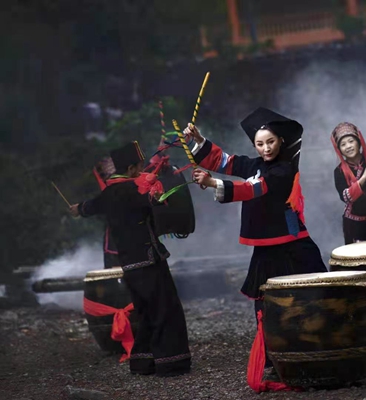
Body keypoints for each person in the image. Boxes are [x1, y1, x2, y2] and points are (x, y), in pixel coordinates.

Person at [185, 108, 328, 371]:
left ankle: (330, 344)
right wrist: (198, 140)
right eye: (260, 144)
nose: (266, 148)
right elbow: (225, 161)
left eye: (270, 142)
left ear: (281, 140)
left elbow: (254, 188)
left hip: (292, 241)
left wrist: (214, 183)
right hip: (265, 246)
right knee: (265, 300)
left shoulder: (284, 169)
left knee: (318, 290)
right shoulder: (255, 165)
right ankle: (274, 355)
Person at [70, 141, 192, 376]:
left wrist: (78, 209)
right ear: (131, 169)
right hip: (149, 260)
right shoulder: (136, 189)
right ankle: (170, 363)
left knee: (146, 312)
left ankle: (143, 362)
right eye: (140, 166)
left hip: (129, 264)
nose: (142, 170)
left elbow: (89, 207)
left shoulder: (108, 193)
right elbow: (158, 201)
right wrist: (162, 185)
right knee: (165, 309)